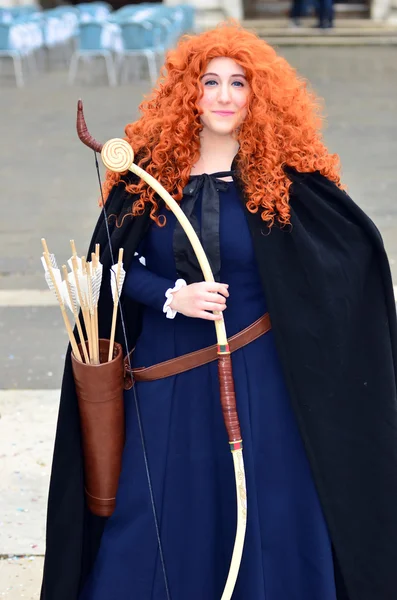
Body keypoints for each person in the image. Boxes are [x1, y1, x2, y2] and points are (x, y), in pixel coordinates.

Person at [40, 21, 397, 600]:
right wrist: (168, 295)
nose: (225, 96)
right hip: (166, 374)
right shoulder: (146, 175)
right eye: (210, 82)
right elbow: (106, 266)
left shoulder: (286, 179)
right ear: (188, 92)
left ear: (260, 95)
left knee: (265, 506)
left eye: (239, 83)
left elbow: (348, 256)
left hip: (263, 378)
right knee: (156, 507)